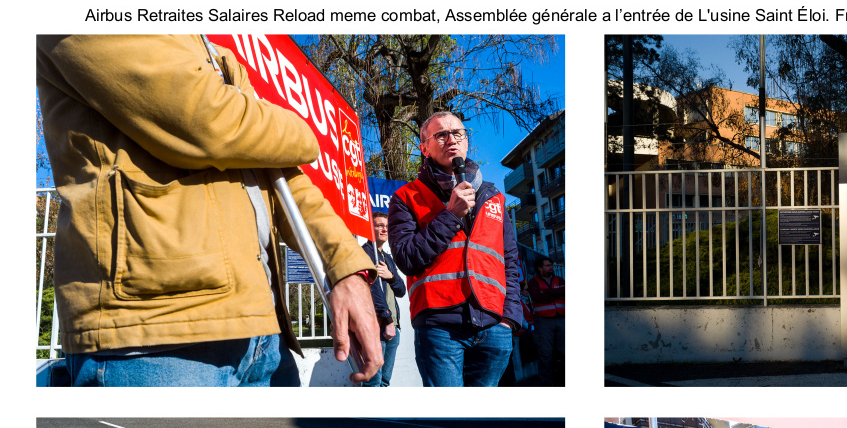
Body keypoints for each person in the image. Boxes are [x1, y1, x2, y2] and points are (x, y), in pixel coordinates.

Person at [37, 35, 382, 386]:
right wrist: (307, 135)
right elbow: (208, 120)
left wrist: (345, 266)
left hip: (263, 332)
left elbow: (284, 177)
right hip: (154, 336)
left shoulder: (216, 52)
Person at [387, 112, 523, 387]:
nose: (451, 140)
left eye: (458, 133)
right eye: (441, 135)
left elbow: (509, 260)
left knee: (483, 423)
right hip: (439, 326)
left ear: (466, 141)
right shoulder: (405, 197)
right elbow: (406, 258)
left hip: (493, 325)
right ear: (424, 147)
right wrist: (450, 214)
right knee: (450, 422)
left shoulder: (494, 197)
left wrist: (509, 318)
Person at [361, 212, 407, 387]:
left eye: (387, 226)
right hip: (377, 325)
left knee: (385, 382)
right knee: (373, 381)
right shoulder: (364, 253)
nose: (384, 229)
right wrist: (386, 319)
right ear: (370, 229)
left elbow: (401, 290)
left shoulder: (387, 258)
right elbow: (371, 289)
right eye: (379, 225)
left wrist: (390, 276)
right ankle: (369, 415)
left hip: (393, 325)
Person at [526, 256, 565, 386]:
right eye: (548, 265)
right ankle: (546, 384)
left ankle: (562, 380)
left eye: (551, 265)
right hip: (543, 322)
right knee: (545, 353)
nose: (551, 268)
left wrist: (547, 292)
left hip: (562, 319)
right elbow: (537, 297)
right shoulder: (533, 282)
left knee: (564, 351)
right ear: (540, 268)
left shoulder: (559, 279)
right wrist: (556, 293)